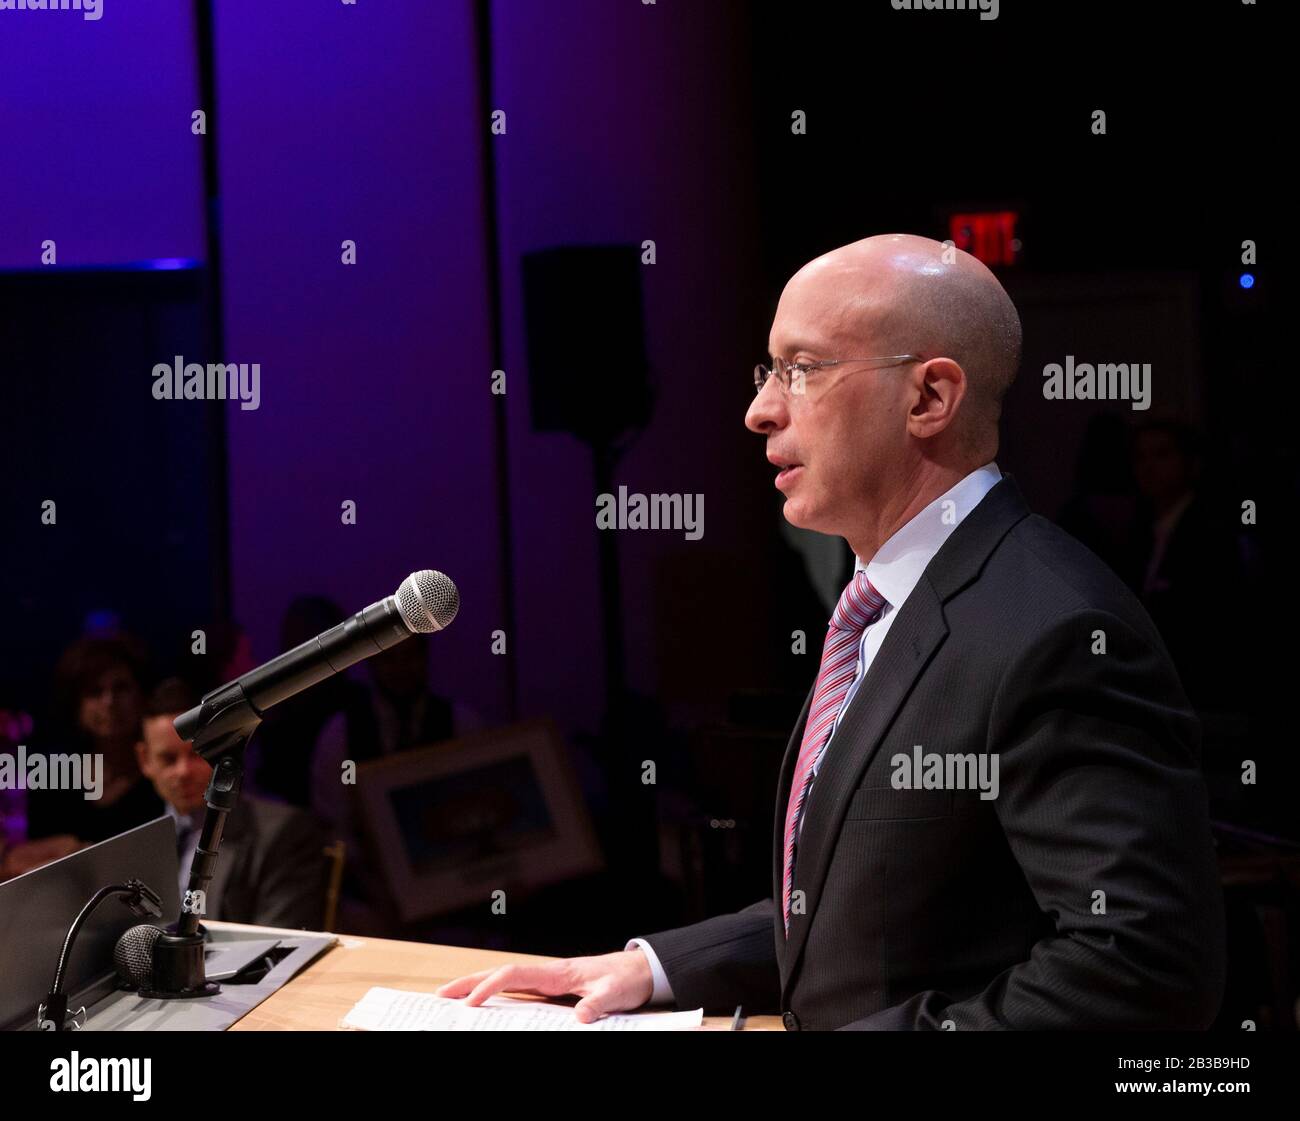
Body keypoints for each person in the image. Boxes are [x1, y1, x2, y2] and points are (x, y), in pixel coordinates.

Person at [435, 233, 1225, 1029]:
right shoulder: (883, 600)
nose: (760, 409)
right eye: (768, 371)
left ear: (928, 399)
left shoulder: (1059, 630)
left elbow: (1140, 969)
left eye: (802, 370)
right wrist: (653, 966)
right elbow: (859, 902)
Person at [137, 678, 327, 929]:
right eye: (168, 759)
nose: (183, 771)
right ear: (144, 759)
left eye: (196, 754)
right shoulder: (134, 839)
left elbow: (278, 944)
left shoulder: (284, 833)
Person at [25, 635, 164, 845]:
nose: (109, 702)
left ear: (142, 696)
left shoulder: (164, 773)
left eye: (121, 688)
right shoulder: (51, 779)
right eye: (95, 692)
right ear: (75, 705)